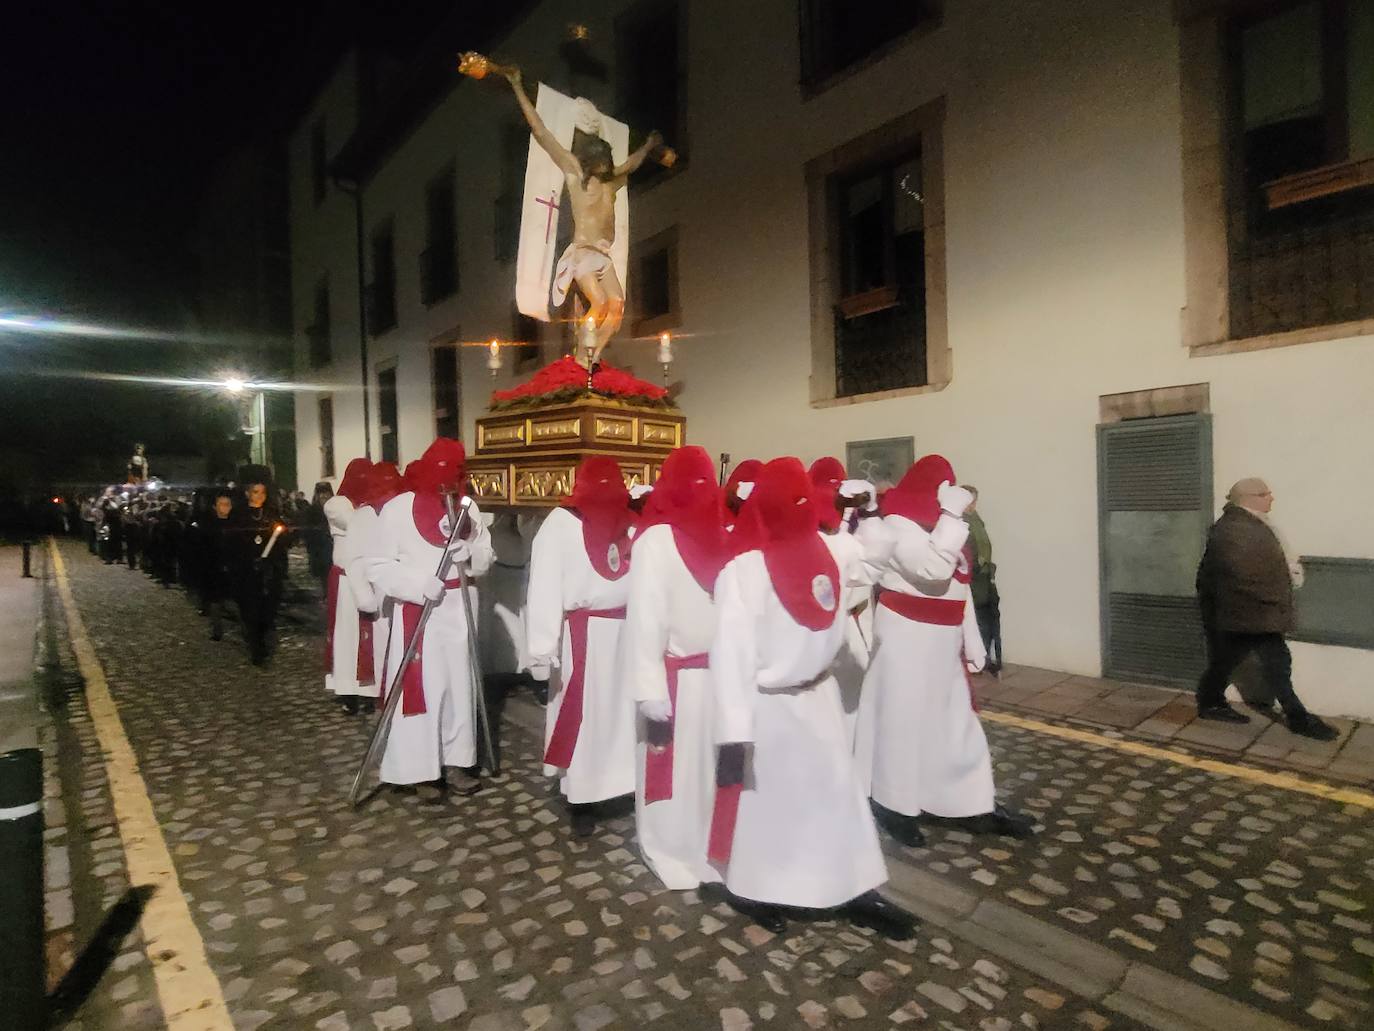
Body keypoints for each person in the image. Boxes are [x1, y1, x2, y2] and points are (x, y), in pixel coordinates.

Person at [707, 458, 914, 937]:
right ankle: (756, 888)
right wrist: (735, 728)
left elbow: (873, 567)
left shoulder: (832, 551)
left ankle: (852, 886)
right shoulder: (745, 571)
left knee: (835, 798)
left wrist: (871, 510)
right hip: (771, 706)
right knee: (773, 807)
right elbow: (732, 654)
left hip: (817, 697)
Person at [855, 456, 1033, 847]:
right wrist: (952, 517)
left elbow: (959, 587)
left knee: (955, 725)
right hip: (906, 637)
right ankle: (893, 803)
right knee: (901, 725)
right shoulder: (894, 526)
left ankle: (968, 801)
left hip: (943, 640)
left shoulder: (940, 527)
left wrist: (972, 643)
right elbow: (932, 569)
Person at [620, 446, 731, 890]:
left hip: (717, 674)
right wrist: (649, 686)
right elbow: (646, 615)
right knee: (672, 771)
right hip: (675, 677)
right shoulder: (655, 541)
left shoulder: (726, 533)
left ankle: (707, 847)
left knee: (708, 770)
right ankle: (665, 846)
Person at [502, 65, 664, 366]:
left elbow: (632, 164)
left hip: (604, 257)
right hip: (583, 254)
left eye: (608, 158)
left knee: (616, 309)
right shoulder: (576, 177)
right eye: (601, 158)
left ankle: (592, 359)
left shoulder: (612, 181)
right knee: (599, 303)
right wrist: (517, 87)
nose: (606, 163)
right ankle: (579, 359)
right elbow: (541, 132)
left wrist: (649, 146)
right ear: (590, 158)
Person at [363, 439, 494, 795]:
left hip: (460, 607)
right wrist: (416, 583)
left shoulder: (470, 508)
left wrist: (471, 555)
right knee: (424, 687)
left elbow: (485, 552)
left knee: (459, 687)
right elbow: (376, 564)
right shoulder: (397, 509)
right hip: (420, 611)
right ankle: (420, 769)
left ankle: (456, 761)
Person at [524, 457, 637, 836]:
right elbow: (543, 584)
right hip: (582, 637)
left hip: (626, 632)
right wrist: (542, 647)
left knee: (621, 714)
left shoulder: (632, 521)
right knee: (587, 715)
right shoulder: (560, 524)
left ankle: (622, 785)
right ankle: (583, 795)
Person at [1194, 478, 1337, 740]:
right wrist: (1276, 598)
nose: (1271, 498)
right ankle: (1297, 717)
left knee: (1228, 659)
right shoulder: (1234, 528)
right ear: (1249, 498)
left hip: (1249, 612)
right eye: (1265, 494)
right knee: (1277, 663)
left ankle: (1209, 701)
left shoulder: (1250, 522)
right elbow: (1241, 575)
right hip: (1250, 611)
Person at [324, 460, 377, 715]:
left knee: (369, 636)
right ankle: (348, 690)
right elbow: (358, 525)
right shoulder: (337, 504)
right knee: (348, 636)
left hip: (370, 578)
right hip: (346, 581)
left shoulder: (372, 505)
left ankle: (369, 690)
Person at [227, 467, 290, 666]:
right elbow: (233, 542)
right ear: (247, 493)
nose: (260, 496)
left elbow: (281, 541)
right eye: (255, 492)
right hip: (246, 571)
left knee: (267, 611)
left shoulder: (271, 513)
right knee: (251, 610)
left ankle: (262, 635)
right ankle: (256, 647)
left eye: (262, 492)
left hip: (268, 572)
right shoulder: (238, 515)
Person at [962, 486, 1002, 676]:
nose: (973, 505)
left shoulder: (975, 518)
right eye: (970, 501)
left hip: (984, 576)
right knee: (977, 619)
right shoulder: (961, 520)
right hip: (974, 577)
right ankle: (976, 659)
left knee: (986, 617)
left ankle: (984, 657)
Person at [200, 489, 235, 641]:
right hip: (214, 567)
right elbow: (205, 548)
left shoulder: (236, 524)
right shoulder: (209, 526)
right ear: (215, 507)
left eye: (227, 504)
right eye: (221, 504)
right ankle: (217, 629)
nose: (225, 507)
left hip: (233, 567)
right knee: (216, 600)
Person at [306, 482, 335, 589]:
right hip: (319, 548)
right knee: (324, 575)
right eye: (321, 493)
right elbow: (308, 531)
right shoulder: (312, 511)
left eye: (326, 493)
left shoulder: (336, 508)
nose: (324, 496)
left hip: (333, 547)